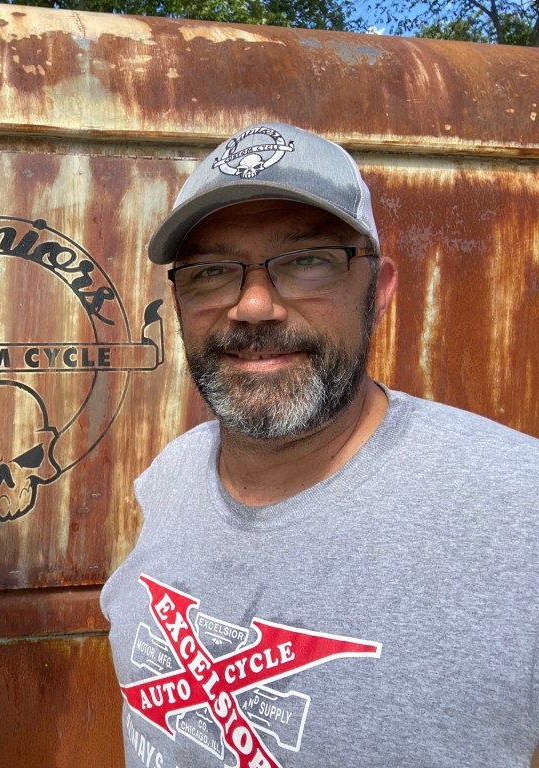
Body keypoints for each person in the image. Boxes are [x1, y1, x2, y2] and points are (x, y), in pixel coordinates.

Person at [101, 122, 539, 768]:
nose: (253, 306)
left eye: (307, 260)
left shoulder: (518, 513)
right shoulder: (171, 476)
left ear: (378, 291)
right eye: (211, 271)